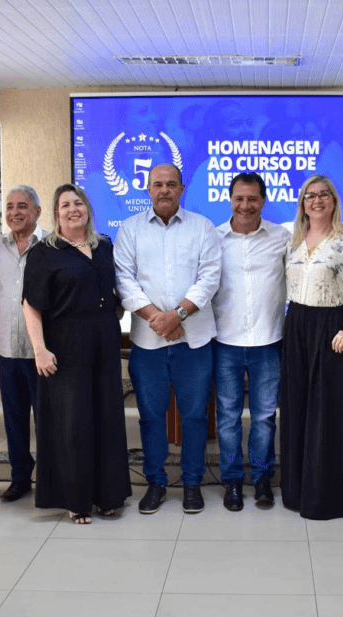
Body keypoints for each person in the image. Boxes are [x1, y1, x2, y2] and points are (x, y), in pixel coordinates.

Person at [114, 164, 221, 515]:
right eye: (158, 184)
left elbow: (209, 278)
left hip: (194, 342)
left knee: (194, 417)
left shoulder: (202, 227)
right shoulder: (130, 229)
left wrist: (178, 316)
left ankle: (192, 483)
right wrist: (158, 320)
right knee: (150, 417)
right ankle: (156, 483)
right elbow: (124, 280)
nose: (164, 190)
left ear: (182, 188)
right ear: (148, 189)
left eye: (171, 184)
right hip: (148, 343)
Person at [23, 184, 131, 523]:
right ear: (56, 214)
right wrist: (39, 350)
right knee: (73, 423)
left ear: (88, 208)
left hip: (104, 343)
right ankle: (77, 500)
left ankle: (107, 496)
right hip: (65, 346)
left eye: (79, 203)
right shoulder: (44, 252)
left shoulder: (104, 246)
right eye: (66, 205)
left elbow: (112, 292)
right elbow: (31, 305)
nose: (73, 209)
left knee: (106, 418)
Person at [280, 174, 343, 520]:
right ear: (302, 203)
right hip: (296, 326)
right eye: (310, 195)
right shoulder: (292, 241)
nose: (317, 200)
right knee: (296, 407)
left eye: (324, 194)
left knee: (328, 411)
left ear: (334, 200)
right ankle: (296, 491)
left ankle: (327, 498)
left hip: (331, 328)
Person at [211, 172, 289, 511]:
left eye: (252, 199)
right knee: (227, 416)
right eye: (239, 198)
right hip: (224, 341)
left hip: (268, 341)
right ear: (230, 200)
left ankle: (261, 478)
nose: (245, 205)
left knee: (264, 417)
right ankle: (231, 480)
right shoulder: (213, 238)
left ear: (263, 200)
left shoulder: (281, 237)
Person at [0, 185, 48, 502]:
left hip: (42, 351)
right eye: (9, 206)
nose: (14, 212)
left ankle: (50, 480)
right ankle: (20, 477)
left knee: (47, 420)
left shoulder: (52, 245)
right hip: (7, 349)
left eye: (22, 206)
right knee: (14, 419)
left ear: (37, 211)